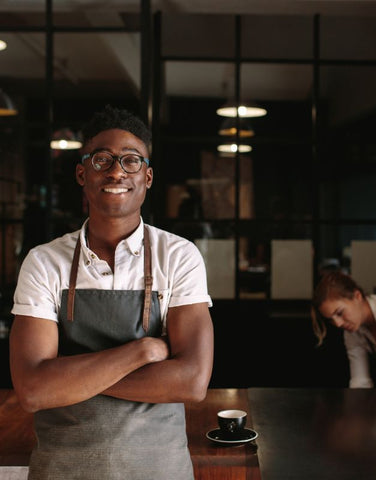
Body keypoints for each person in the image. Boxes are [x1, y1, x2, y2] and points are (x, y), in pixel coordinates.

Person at [9, 105, 214, 480]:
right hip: (63, 470)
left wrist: (71, 380)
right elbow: (34, 392)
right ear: (81, 173)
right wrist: (143, 351)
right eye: (102, 159)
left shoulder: (179, 256)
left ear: (147, 177)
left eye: (131, 160)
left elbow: (191, 381)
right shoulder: (43, 262)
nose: (117, 170)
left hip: (159, 470)